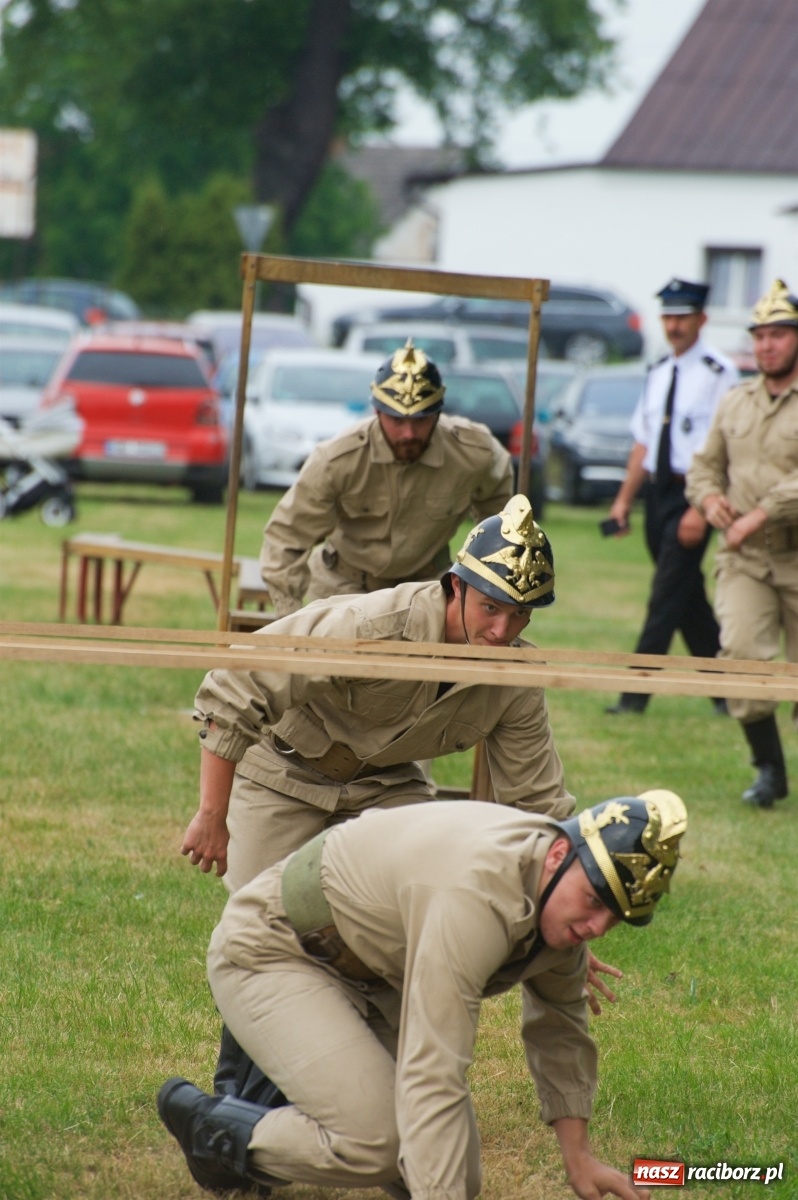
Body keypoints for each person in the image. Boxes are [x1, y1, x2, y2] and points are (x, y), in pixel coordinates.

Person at [159, 788, 687, 1200]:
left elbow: (561, 1027)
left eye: (614, 918)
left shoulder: (558, 897)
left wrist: (580, 1159)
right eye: (594, 900)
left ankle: (280, 1096)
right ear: (558, 854)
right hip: (275, 947)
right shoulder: (475, 895)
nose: (595, 927)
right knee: (380, 1144)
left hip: (371, 974)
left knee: (453, 1176)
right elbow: (433, 1069)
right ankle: (214, 1135)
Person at [257, 341, 515, 617]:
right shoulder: (337, 459)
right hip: (343, 586)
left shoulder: (476, 453)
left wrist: (490, 589)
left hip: (426, 587)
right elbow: (286, 536)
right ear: (378, 412)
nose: (408, 433)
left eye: (420, 420)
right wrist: (290, 617)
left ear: (437, 414)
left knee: (437, 659)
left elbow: (503, 528)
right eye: (397, 420)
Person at [686, 278, 798, 808]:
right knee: (742, 660)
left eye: (779, 334)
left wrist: (760, 512)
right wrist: (709, 502)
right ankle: (770, 772)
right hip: (745, 559)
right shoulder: (735, 402)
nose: (766, 345)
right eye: (760, 336)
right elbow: (704, 466)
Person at [604, 278, 739, 715]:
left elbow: (728, 447)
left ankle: (633, 697)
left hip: (694, 493)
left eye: (683, 317)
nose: (674, 326)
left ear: (702, 318)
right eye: (668, 317)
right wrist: (624, 501)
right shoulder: (659, 371)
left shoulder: (720, 373)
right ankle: (728, 692)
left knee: (665, 596)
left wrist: (704, 507)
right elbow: (643, 444)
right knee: (687, 599)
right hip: (658, 494)